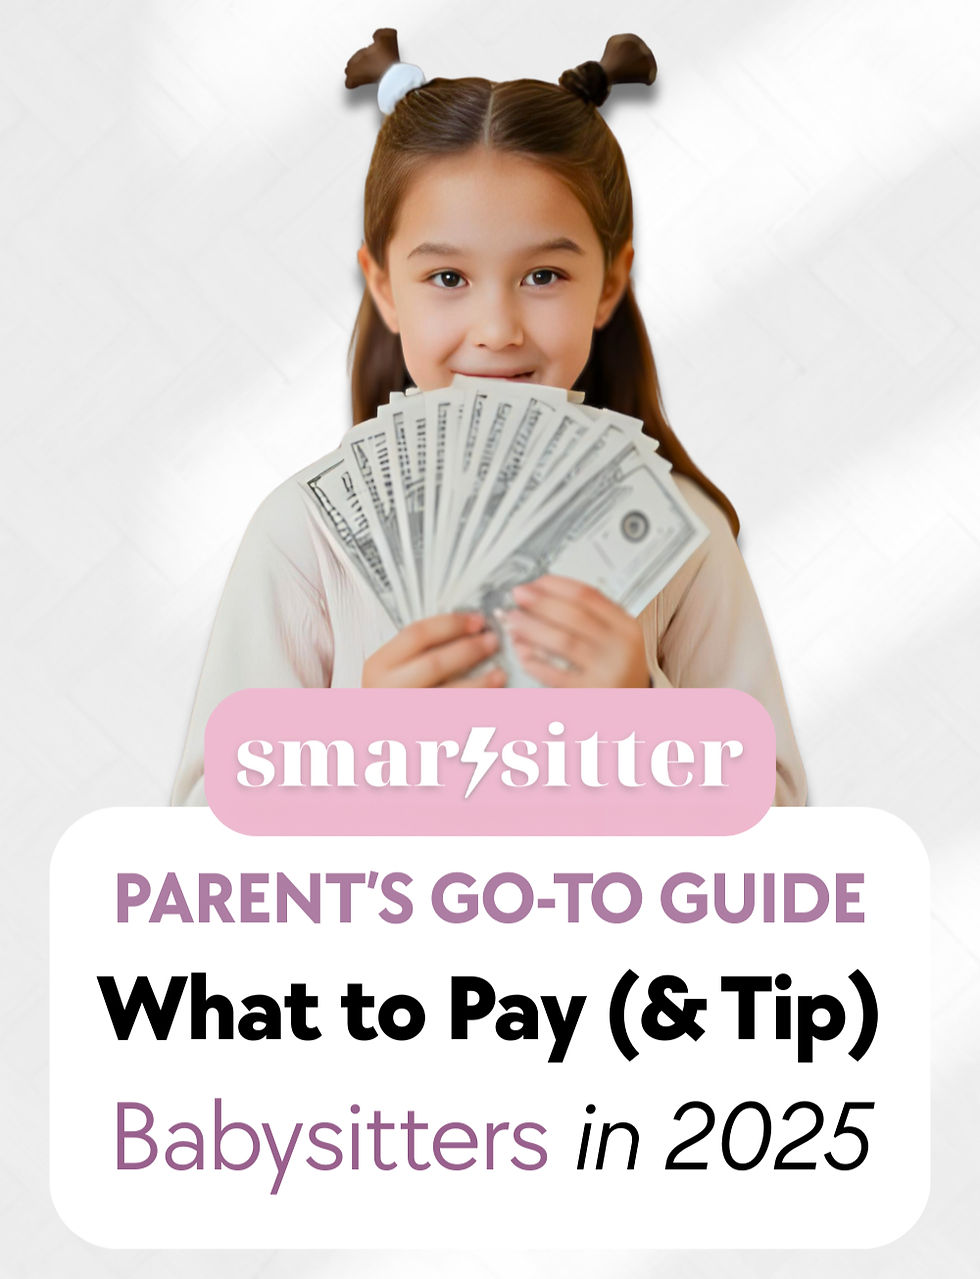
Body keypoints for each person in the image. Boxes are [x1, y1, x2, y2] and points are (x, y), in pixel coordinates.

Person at [171, 31, 806, 807]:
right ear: (383, 286)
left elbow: (787, 832)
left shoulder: (683, 533)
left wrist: (644, 717)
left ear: (609, 286)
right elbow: (197, 838)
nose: (497, 326)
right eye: (447, 276)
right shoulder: (306, 537)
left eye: (544, 275)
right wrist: (356, 746)